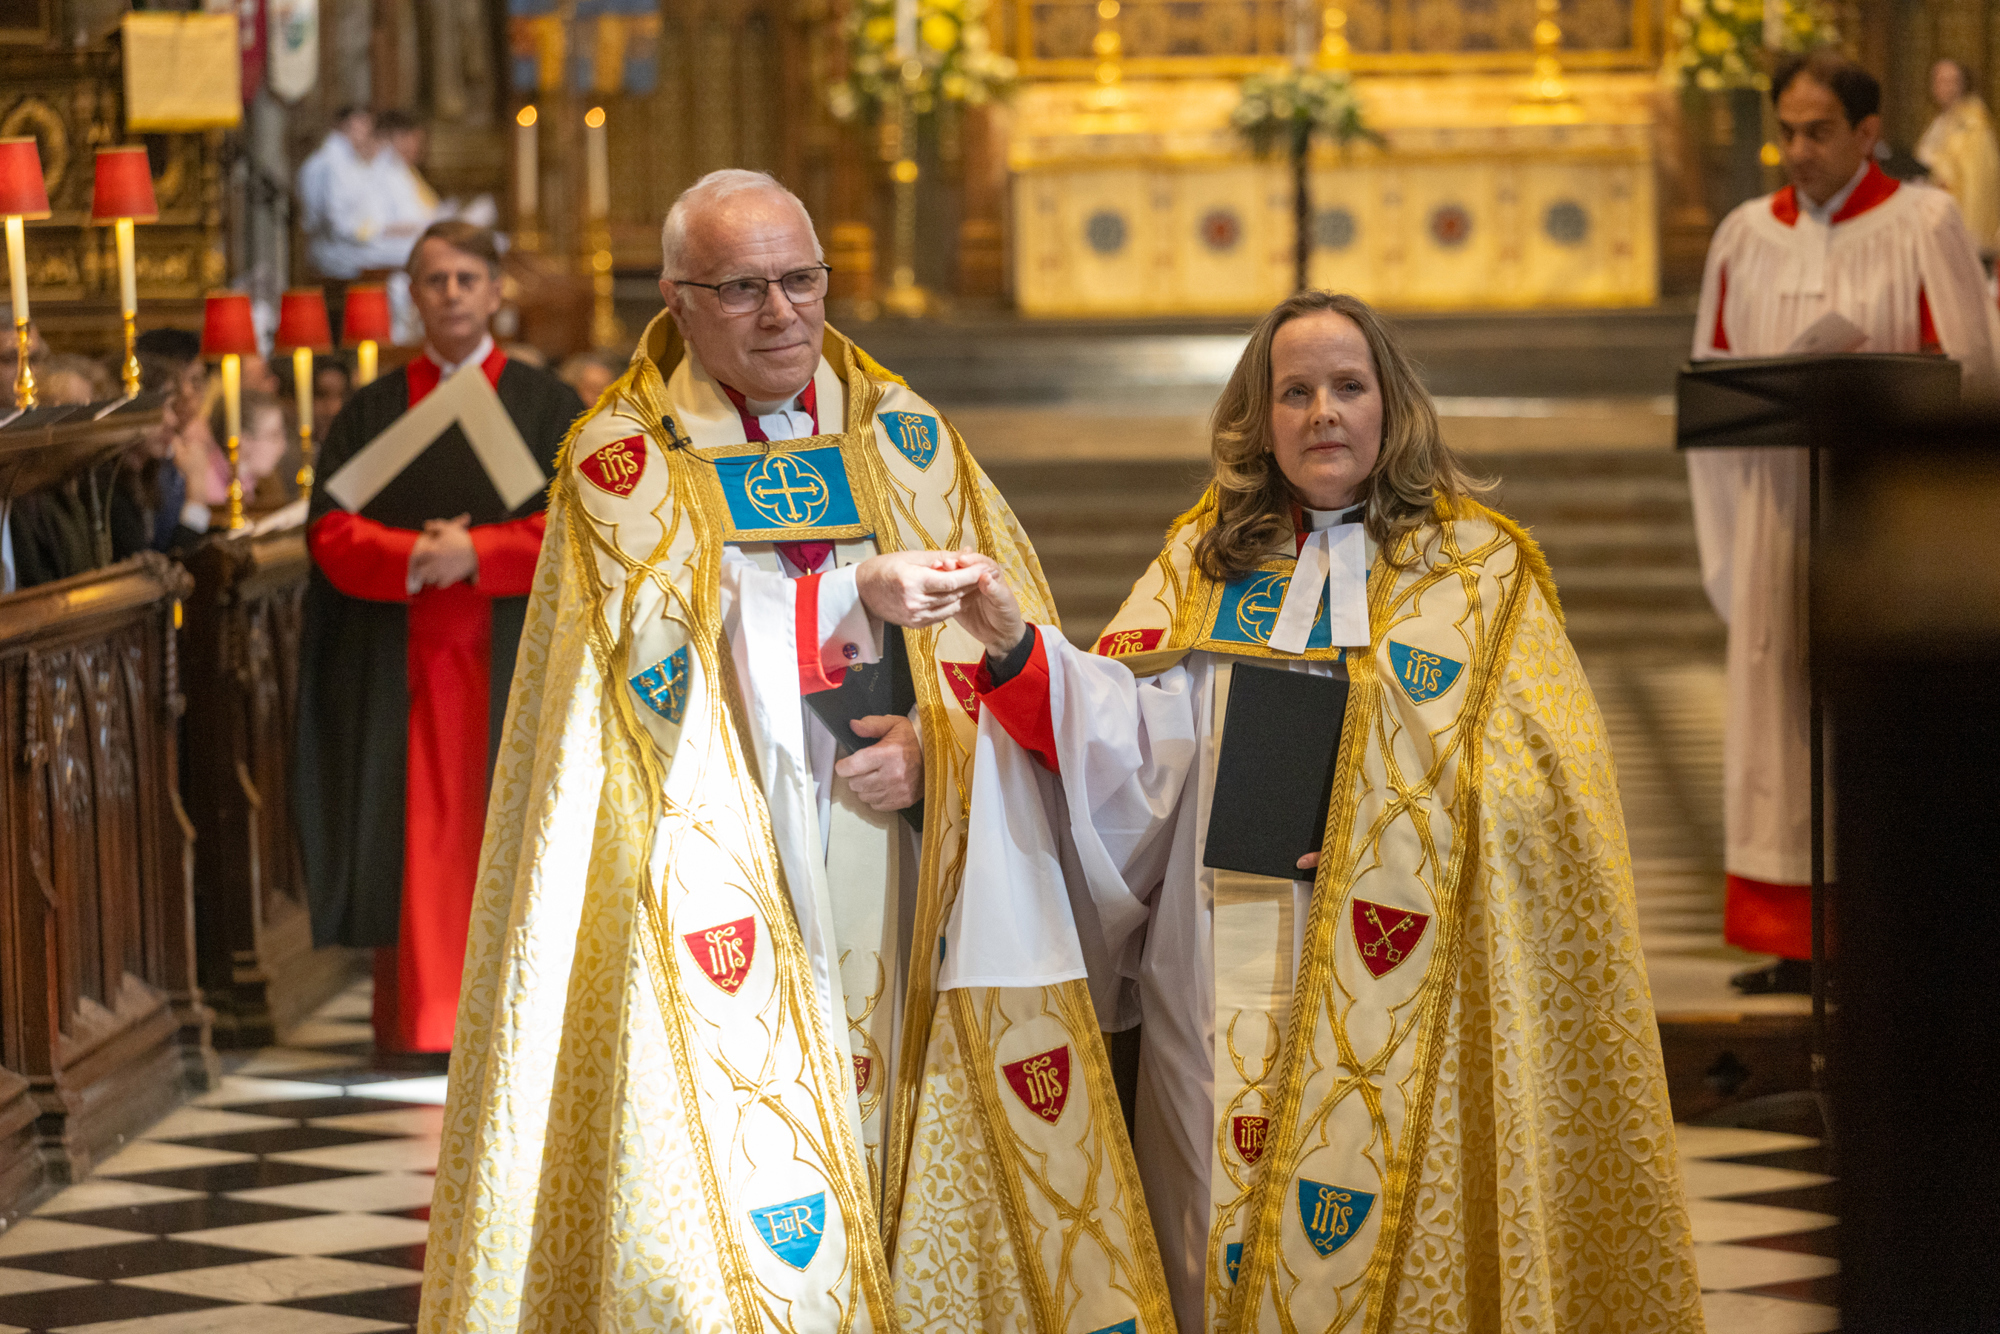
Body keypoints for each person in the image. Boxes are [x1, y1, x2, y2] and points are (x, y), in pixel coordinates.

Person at [419, 170, 1173, 1334]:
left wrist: (942, 742)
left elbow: (1002, 629)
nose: (781, 312)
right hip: (732, 877)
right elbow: (644, 675)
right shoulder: (624, 460)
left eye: (800, 280)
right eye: (741, 287)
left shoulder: (903, 434)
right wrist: (848, 601)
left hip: (913, 866)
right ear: (676, 298)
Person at [947, 291, 1704, 1334]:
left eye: (1346, 386)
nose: (1321, 413)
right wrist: (1017, 653)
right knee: (1199, 1207)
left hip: (1400, 958)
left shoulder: (1477, 574)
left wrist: (1380, 822)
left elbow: (1544, 790)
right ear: (1258, 419)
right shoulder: (1201, 558)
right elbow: (1128, 735)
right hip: (1206, 948)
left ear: (1389, 404)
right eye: (1291, 392)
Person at [1691, 50, 2000, 993]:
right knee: (1779, 720)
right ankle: (1792, 939)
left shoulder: (1924, 223)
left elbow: (1972, 375)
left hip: (1882, 530)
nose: (1796, 150)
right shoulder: (1745, 235)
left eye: (1818, 131)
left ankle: (1883, 933)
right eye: (1784, 130)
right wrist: (1730, 544)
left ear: (1870, 133)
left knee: (1877, 731)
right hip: (1776, 513)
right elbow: (1713, 383)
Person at [294, 220, 585, 1057]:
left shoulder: (548, 406)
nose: (451, 293)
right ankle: (423, 1020)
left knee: (513, 831)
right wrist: (415, 555)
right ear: (411, 296)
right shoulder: (374, 408)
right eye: (432, 279)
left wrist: (480, 551)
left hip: (512, 656)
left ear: (497, 291)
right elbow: (331, 532)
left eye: (466, 277)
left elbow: (588, 529)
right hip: (401, 659)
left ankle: (519, 1028)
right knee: (414, 834)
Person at [1917, 58, 2000, 256]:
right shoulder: (1939, 121)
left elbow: (1978, 180)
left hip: (1957, 222)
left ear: (1963, 84)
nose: (1945, 87)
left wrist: (1935, 169)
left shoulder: (1973, 124)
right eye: (1939, 80)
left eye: (1951, 80)